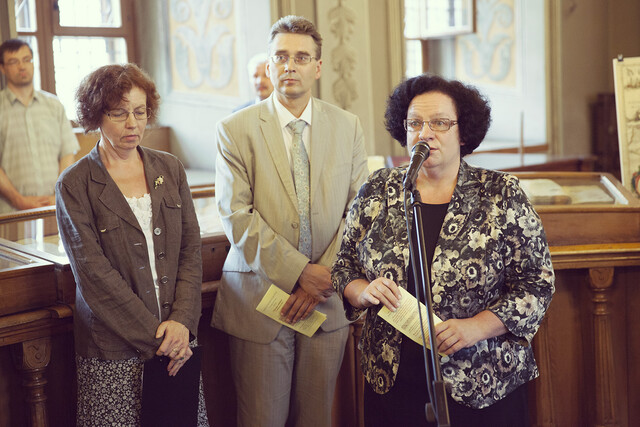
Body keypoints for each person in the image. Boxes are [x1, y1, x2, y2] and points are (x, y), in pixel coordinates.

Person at [332, 74, 555, 426]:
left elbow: (537, 284)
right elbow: (344, 265)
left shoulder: (500, 193)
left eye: (439, 123)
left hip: (481, 379)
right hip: (392, 378)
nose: (425, 133)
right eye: (415, 123)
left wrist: (476, 327)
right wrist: (361, 291)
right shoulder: (378, 189)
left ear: (463, 133)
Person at [212, 15, 369, 427]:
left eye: (301, 57)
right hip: (259, 298)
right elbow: (236, 215)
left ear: (317, 67)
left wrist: (323, 277)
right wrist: (301, 273)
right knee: (261, 419)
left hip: (327, 298)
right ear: (269, 65)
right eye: (281, 56)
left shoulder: (347, 126)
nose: (290, 66)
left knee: (315, 419)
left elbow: (359, 212)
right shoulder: (235, 130)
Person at [55, 63, 208, 426]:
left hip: (177, 338)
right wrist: (161, 340)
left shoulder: (170, 168)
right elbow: (94, 275)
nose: (132, 124)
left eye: (140, 112)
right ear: (96, 115)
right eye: (119, 113)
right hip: (113, 349)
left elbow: (190, 250)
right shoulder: (75, 183)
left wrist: (181, 323)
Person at [0, 38, 78, 213]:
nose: (22, 66)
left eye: (26, 59)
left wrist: (58, 194)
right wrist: (19, 200)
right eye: (13, 62)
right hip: (10, 212)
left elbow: (67, 153)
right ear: (2, 68)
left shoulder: (54, 105)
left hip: (55, 207)